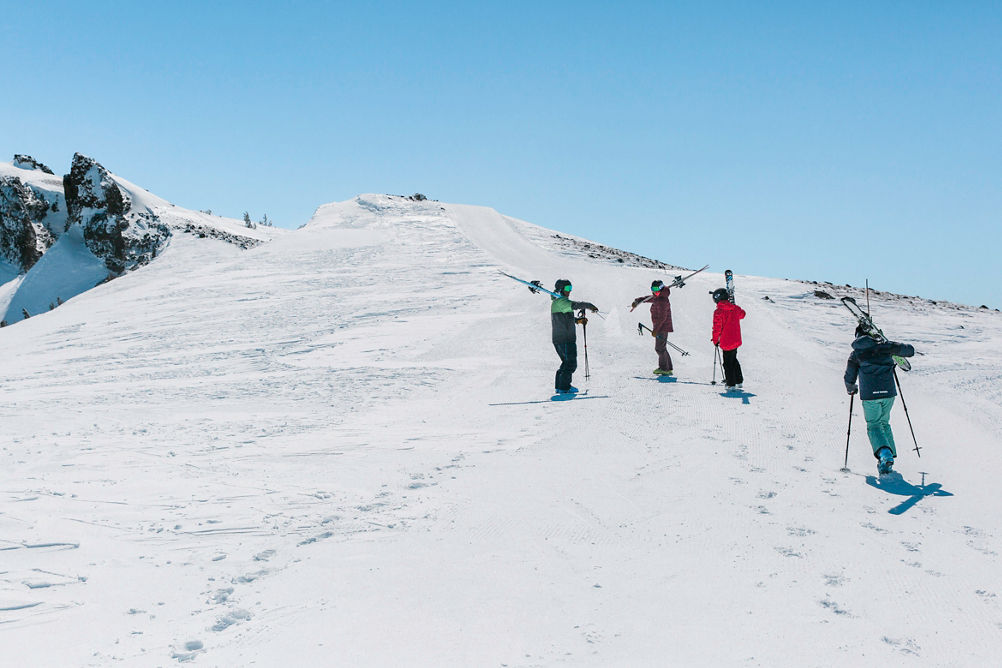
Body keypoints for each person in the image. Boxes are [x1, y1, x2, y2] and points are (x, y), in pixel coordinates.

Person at [844, 326, 915, 474]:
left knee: (874, 425)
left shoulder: (856, 353)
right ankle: (887, 459)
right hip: (889, 393)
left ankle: (885, 455)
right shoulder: (886, 347)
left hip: (870, 396)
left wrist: (851, 388)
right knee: (884, 423)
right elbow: (910, 351)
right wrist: (892, 346)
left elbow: (850, 376)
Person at [549, 279, 598, 394]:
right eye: (567, 289)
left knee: (566, 362)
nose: (569, 291)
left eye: (570, 288)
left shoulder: (560, 302)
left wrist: (578, 320)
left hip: (564, 338)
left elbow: (565, 318)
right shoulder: (560, 302)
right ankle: (564, 387)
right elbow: (575, 305)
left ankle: (560, 386)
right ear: (560, 289)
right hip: (564, 338)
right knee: (570, 363)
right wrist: (589, 305)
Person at [630, 279, 674, 376]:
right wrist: (637, 301)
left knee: (659, 348)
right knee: (662, 347)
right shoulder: (657, 297)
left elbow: (662, 318)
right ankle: (667, 368)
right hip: (661, 326)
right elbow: (646, 298)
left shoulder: (662, 300)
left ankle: (665, 369)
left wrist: (656, 330)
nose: (654, 291)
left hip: (662, 326)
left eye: (656, 289)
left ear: (661, 288)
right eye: (652, 289)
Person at [710, 287, 746, 390]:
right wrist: (735, 306)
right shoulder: (735, 308)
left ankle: (731, 384)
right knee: (734, 360)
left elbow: (717, 328)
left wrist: (715, 340)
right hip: (736, 340)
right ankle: (739, 381)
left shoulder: (718, 312)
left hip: (726, 341)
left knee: (727, 363)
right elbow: (743, 315)